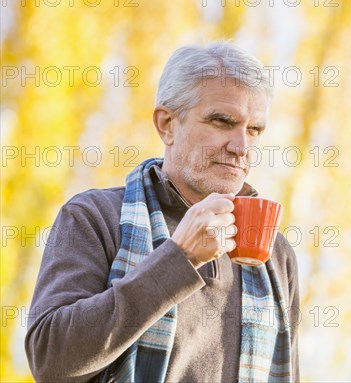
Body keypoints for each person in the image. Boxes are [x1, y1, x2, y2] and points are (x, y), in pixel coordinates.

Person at [24, 42, 300, 383]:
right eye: (222, 121)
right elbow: (52, 361)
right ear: (167, 123)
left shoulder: (275, 253)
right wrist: (178, 258)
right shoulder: (95, 216)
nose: (241, 147)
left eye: (254, 129)